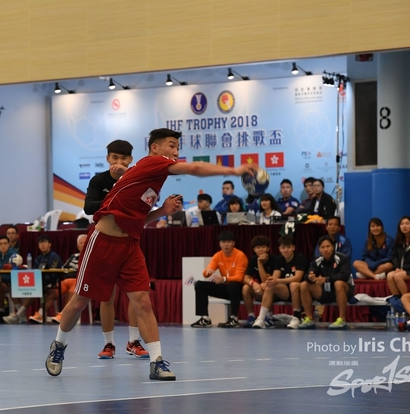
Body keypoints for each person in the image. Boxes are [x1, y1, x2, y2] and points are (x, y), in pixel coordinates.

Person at [45, 127, 257, 381]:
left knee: (143, 302)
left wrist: (163, 211)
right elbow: (195, 168)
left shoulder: (151, 178)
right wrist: (235, 171)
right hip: (102, 243)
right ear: (155, 148)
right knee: (80, 301)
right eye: (171, 146)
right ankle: (59, 345)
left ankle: (156, 361)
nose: (175, 152)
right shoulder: (154, 162)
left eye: (178, 148)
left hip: (130, 246)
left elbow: (139, 220)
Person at [83, 140, 149, 359]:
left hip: (130, 241)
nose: (118, 162)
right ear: (107, 158)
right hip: (105, 243)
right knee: (107, 296)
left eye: (123, 158)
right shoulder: (99, 180)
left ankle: (133, 342)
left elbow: (144, 207)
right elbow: (88, 207)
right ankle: (108, 344)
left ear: (130, 160)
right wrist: (116, 200)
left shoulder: (138, 180)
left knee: (136, 295)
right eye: (114, 157)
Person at [191, 231, 248, 328]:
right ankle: (205, 318)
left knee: (233, 285)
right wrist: (208, 272)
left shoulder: (240, 255)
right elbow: (206, 273)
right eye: (223, 242)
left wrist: (224, 279)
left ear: (233, 243)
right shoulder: (218, 255)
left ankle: (234, 319)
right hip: (226, 288)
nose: (226, 244)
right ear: (220, 244)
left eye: (228, 242)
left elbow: (239, 277)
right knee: (199, 285)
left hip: (240, 289)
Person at [298, 236, 354, 330]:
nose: (326, 249)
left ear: (333, 247)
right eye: (322, 247)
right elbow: (307, 275)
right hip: (326, 291)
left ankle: (342, 319)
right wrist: (311, 277)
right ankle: (309, 319)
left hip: (344, 290)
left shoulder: (342, 258)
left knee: (338, 283)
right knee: (303, 285)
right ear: (319, 249)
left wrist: (327, 279)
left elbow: (344, 276)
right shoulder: (317, 260)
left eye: (328, 246)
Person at [253, 235, 307, 329]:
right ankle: (261, 319)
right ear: (279, 249)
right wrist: (269, 282)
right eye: (283, 248)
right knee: (270, 286)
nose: (286, 250)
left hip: (299, 291)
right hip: (285, 291)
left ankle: (297, 317)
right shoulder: (279, 260)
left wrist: (277, 281)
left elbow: (298, 278)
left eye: (288, 247)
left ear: (293, 247)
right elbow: (275, 277)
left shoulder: (300, 258)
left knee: (293, 285)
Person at [241, 235, 279, 328]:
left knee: (266, 286)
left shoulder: (275, 259)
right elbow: (245, 278)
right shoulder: (252, 259)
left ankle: (269, 317)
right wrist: (253, 284)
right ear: (254, 249)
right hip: (260, 289)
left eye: (263, 247)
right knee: (245, 288)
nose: (261, 250)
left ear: (268, 248)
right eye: (258, 247)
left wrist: (259, 262)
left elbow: (265, 280)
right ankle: (251, 316)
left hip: (275, 291)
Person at [26, 234, 63, 323]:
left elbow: (54, 273)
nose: (42, 245)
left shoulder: (54, 256)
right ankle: (20, 314)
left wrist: (41, 280)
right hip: (39, 282)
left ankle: (40, 314)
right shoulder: (38, 258)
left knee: (49, 291)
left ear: (50, 244)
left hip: (51, 282)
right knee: (29, 290)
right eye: (40, 243)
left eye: (45, 242)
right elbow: (34, 271)